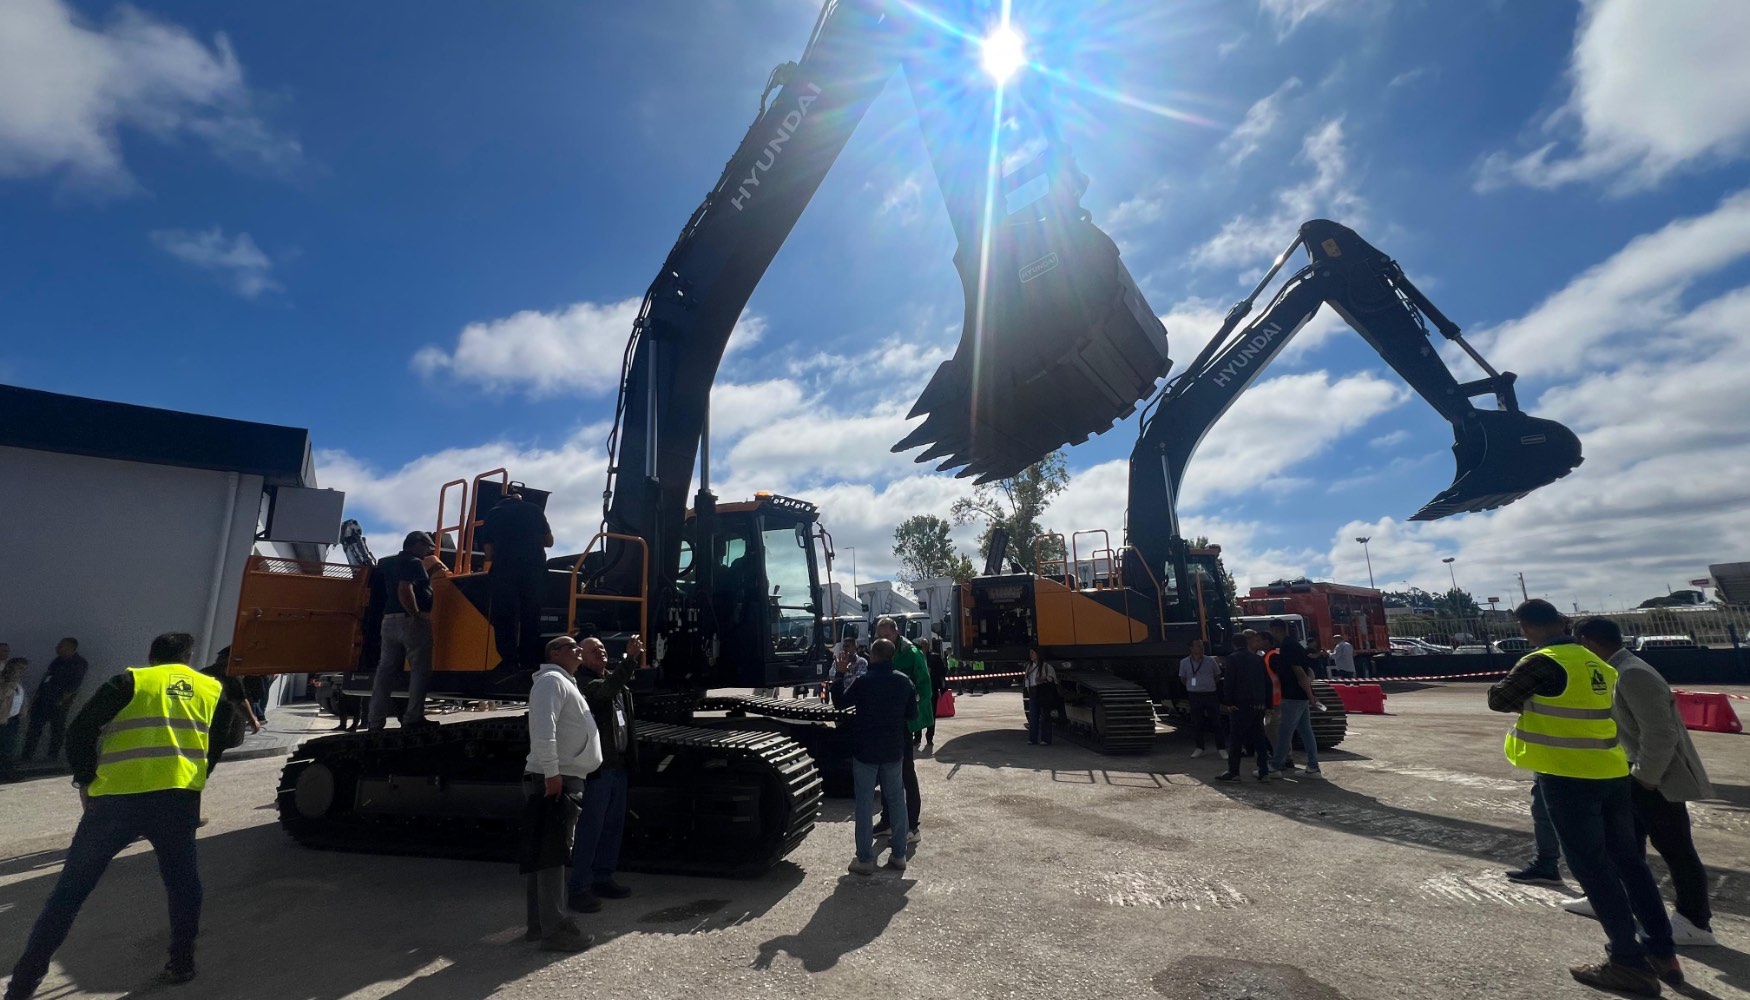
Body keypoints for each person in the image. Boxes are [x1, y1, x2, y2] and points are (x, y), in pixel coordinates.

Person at [6, 632, 233, 999]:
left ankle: (23, 984)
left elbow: (80, 729)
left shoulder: (129, 682)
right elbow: (222, 739)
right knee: (183, 884)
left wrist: (85, 778)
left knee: (70, 891)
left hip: (116, 801)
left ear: (152, 656)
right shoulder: (212, 689)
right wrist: (198, 777)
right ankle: (181, 962)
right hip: (177, 801)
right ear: (188, 658)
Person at [1487, 599, 1678, 996]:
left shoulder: (1541, 661)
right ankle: (1661, 951)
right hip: (1611, 771)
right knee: (1630, 863)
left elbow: (1499, 700)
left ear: (1526, 627)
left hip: (1568, 775)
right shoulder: (1598, 663)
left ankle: (1627, 962)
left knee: (1593, 868)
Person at [1570, 617, 1717, 947]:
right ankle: (1615, 898)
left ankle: (1695, 921)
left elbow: (1660, 733)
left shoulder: (1632, 673)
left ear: (1589, 641)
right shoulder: (1616, 671)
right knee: (1623, 847)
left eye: (1579, 643)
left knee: (1675, 849)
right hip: (1631, 776)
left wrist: (1645, 778)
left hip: (1654, 779)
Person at [521, 635, 601, 953]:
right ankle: (555, 930)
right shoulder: (551, 681)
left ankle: (539, 925)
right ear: (554, 653)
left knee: (544, 855)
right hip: (557, 778)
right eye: (572, 646)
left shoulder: (563, 681)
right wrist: (552, 772)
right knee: (553, 856)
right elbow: (544, 729)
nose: (579, 649)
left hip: (562, 776)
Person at [568, 634, 644, 912]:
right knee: (591, 829)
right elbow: (604, 692)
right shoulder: (585, 683)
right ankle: (579, 888)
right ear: (581, 657)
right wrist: (631, 660)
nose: (600, 652)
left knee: (612, 827)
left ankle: (603, 877)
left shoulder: (615, 681)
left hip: (618, 767)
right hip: (599, 770)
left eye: (601, 648)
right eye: (592, 650)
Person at [837, 638, 914, 874]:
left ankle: (864, 859)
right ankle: (899, 854)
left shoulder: (864, 682)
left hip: (866, 750)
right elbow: (912, 714)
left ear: (874, 655)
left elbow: (840, 703)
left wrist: (840, 674)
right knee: (897, 801)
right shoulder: (903, 681)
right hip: (893, 749)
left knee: (863, 803)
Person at [478, 487, 554, 672]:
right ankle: (529, 661)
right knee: (531, 615)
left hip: (504, 570)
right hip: (533, 571)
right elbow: (549, 541)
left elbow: (489, 553)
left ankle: (509, 662)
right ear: (520, 498)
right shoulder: (534, 510)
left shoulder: (493, 514)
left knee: (504, 616)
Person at [368, 531, 439, 731]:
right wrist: (415, 614)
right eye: (428, 546)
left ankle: (375, 720)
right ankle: (413, 717)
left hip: (389, 621)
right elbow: (405, 588)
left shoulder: (390, 563)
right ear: (417, 544)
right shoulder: (414, 562)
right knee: (420, 669)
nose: (429, 551)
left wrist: (430, 574)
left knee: (385, 671)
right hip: (410, 621)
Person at [874, 617, 928, 851]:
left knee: (906, 774)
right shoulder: (881, 653)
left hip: (903, 724)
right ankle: (887, 821)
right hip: (886, 724)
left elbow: (924, 687)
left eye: (886, 636)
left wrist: (909, 714)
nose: (883, 640)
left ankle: (912, 827)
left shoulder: (912, 653)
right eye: (879, 636)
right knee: (886, 773)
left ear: (896, 632)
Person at [1267, 620, 1323, 778]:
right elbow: (1309, 672)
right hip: (1300, 696)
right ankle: (1313, 767)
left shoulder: (1287, 647)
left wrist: (1311, 696)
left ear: (1276, 630)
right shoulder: (1297, 646)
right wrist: (1309, 694)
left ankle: (1275, 766)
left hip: (1292, 696)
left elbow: (1300, 674)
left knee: (1285, 732)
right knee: (1305, 731)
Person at [1216, 631, 1272, 783]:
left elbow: (1229, 682)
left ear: (1233, 644)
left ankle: (1234, 772)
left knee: (1236, 739)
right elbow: (1267, 682)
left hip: (1241, 704)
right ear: (1246, 643)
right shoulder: (1258, 659)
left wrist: (1228, 702)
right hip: (1258, 704)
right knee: (1259, 738)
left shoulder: (1233, 658)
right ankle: (1264, 771)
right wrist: (1268, 703)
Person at [22, 637, 89, 762]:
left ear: (70, 648)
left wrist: (62, 700)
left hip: (59, 702)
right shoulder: (57, 661)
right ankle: (26, 756)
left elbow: (74, 684)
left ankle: (52, 756)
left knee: (57, 730)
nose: (57, 648)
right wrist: (37, 695)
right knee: (34, 728)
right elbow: (47, 677)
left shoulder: (78, 663)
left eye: (61, 646)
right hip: (43, 699)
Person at [1179, 639, 1221, 758]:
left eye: (1202, 646)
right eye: (1198, 646)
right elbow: (1183, 678)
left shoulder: (1210, 661)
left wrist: (1209, 684)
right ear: (1191, 648)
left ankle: (1221, 748)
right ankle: (1199, 747)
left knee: (1216, 722)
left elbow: (1217, 675)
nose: (1201, 648)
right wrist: (1193, 687)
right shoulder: (1184, 662)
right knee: (1197, 722)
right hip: (1195, 695)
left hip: (1210, 694)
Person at [1023, 646, 1058, 746]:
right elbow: (1026, 680)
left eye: (1033, 653)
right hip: (1033, 693)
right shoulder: (1029, 667)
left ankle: (1045, 739)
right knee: (1033, 717)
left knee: (1045, 717)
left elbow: (1053, 679)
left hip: (1043, 693)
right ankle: (1032, 739)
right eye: (1030, 653)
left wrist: (1043, 679)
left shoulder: (1046, 666)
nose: (1031, 655)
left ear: (1038, 654)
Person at [1, 656, 27, 769]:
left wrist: (23, 709)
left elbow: (21, 697)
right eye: (20, 668)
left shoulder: (19, 683)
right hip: (3, 718)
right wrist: (10, 684)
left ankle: (7, 768)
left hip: (13, 717)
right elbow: (3, 695)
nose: (22, 672)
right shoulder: (4, 680)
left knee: (10, 744)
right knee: (4, 744)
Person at [922, 638, 948, 754]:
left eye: (925, 644)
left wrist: (942, 687)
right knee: (919, 714)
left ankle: (929, 737)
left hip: (932, 689)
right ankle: (917, 737)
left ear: (928, 646)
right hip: (920, 690)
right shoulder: (917, 657)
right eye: (922, 645)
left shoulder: (935, 657)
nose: (923, 647)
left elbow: (942, 672)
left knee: (932, 714)